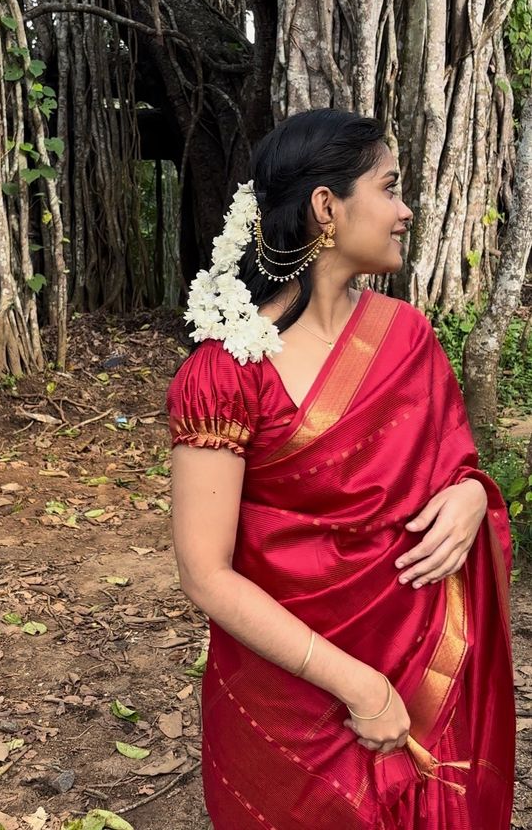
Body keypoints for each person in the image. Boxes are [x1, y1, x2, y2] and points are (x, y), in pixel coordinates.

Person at [166, 109, 515, 829]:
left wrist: (474, 499)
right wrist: (361, 686)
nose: (405, 210)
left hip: (425, 658)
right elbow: (206, 572)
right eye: (389, 188)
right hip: (291, 703)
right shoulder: (224, 376)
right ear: (328, 207)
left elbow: (458, 470)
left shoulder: (410, 338)